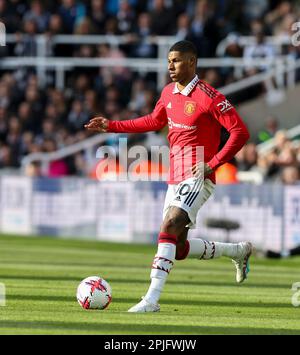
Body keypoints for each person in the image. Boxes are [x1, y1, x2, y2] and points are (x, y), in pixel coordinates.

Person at [85, 40, 252, 313]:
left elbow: (240, 132)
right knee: (179, 246)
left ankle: (151, 299)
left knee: (170, 224)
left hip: (199, 174)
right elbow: (153, 120)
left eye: (176, 60)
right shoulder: (168, 92)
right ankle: (237, 251)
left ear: (192, 62)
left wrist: (214, 163)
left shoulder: (210, 97)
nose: (170, 66)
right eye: (168, 61)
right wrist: (112, 126)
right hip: (175, 176)